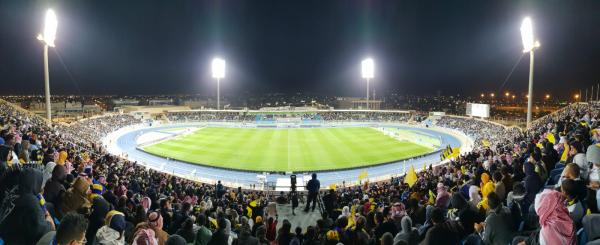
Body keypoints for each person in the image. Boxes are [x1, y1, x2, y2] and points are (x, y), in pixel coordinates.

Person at [0, 168, 55, 245]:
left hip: (5, 230)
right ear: (36, 183)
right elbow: (43, 232)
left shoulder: (15, 189)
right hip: (9, 239)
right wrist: (49, 221)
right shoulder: (31, 202)